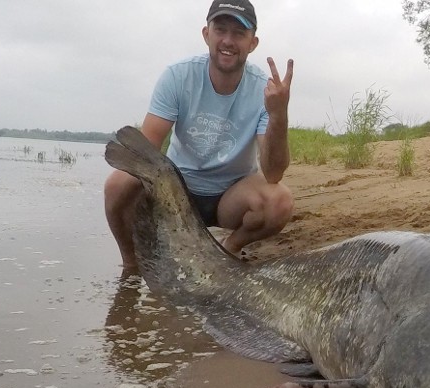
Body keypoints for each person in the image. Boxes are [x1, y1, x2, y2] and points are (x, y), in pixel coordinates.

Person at [104, 0, 294, 269]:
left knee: (279, 202)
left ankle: (229, 248)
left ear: (253, 43)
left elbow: (273, 173)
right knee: (117, 184)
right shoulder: (178, 77)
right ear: (207, 34)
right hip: (177, 192)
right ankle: (131, 266)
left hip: (231, 196)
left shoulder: (265, 90)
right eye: (220, 30)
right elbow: (146, 153)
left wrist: (278, 114)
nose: (228, 40)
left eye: (239, 33)